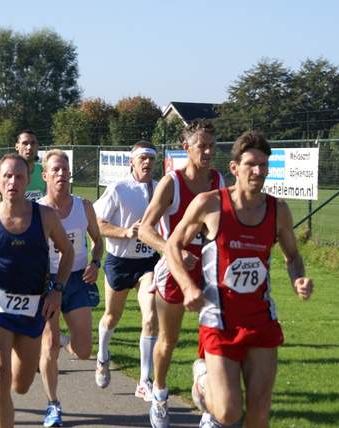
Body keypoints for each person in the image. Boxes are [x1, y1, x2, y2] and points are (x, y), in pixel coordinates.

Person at [167, 131, 314, 427]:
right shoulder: (210, 204)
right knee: (229, 413)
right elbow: (173, 245)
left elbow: (293, 256)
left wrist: (298, 279)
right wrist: (187, 286)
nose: (258, 171)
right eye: (250, 164)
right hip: (219, 321)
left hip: (261, 320)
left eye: (263, 164)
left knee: (260, 411)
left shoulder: (278, 210)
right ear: (235, 168)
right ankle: (202, 382)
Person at [0, 153, 73, 428]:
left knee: (20, 385)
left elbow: (68, 252)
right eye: (7, 176)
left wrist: (57, 289)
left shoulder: (46, 216)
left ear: (28, 180)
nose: (13, 182)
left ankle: (1, 397)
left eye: (19, 176)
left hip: (34, 307)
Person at [138, 118, 227, 428]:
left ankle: (209, 409)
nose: (208, 151)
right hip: (174, 270)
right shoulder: (171, 183)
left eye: (212, 146)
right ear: (186, 147)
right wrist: (173, 250)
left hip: (211, 270)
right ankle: (160, 395)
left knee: (214, 340)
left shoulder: (219, 181)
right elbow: (144, 230)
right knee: (169, 340)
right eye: (202, 146)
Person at [37, 149, 102, 427]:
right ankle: (53, 405)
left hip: (77, 280)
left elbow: (98, 241)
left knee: (84, 351)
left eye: (65, 168)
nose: (61, 173)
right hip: (48, 283)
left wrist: (96, 263)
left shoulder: (84, 207)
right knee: (49, 348)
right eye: (55, 169)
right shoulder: (37, 211)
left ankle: (65, 340)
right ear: (45, 176)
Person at [93, 140, 160, 402]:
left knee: (151, 315)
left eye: (151, 159)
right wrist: (125, 232)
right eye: (142, 158)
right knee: (112, 316)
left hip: (148, 262)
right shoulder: (119, 189)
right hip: (119, 261)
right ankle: (102, 355)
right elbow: (96, 224)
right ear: (131, 161)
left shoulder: (161, 189)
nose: (147, 163)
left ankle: (144, 381)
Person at [0, 129, 46, 207]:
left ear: (37, 146)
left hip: (38, 218)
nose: (29, 147)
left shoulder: (43, 171)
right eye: (25, 143)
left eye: (33, 143)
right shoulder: (6, 173)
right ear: (17, 146)